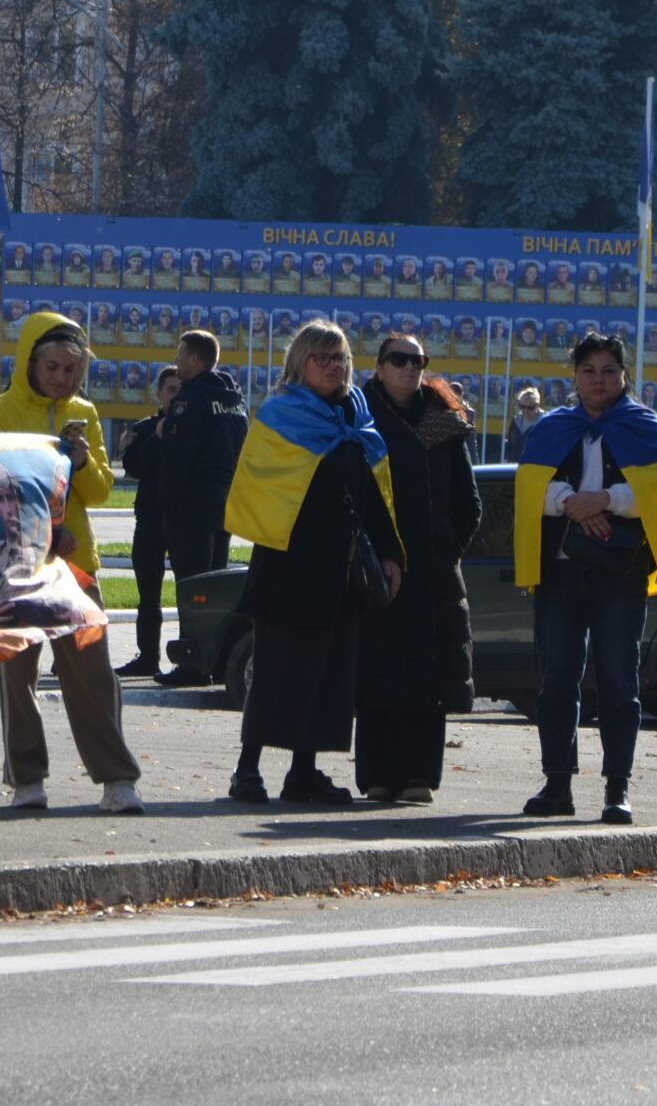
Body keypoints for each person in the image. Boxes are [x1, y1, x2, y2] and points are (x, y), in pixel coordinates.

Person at [224, 320, 404, 806]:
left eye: (340, 358)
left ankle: (304, 772)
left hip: (342, 574)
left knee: (328, 677)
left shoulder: (357, 418)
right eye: (321, 358)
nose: (333, 366)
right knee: (276, 672)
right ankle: (247, 770)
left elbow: (374, 498)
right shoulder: (280, 416)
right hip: (288, 571)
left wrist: (388, 554)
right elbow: (260, 492)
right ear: (299, 364)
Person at [514, 332, 657, 826]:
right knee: (556, 680)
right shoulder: (550, 428)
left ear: (624, 375)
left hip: (621, 575)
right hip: (561, 573)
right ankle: (557, 784)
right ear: (574, 377)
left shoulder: (646, 428)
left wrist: (606, 501)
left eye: (609, 370)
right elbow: (530, 492)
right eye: (589, 371)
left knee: (618, 680)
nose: (599, 380)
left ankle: (617, 788)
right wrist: (572, 501)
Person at [0, 312, 146, 815]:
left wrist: (82, 460)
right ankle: (26, 780)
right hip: (15, 566)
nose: (61, 379)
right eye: (52, 367)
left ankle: (117, 779)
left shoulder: (86, 414)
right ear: (29, 361)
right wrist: (48, 535)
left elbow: (97, 492)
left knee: (93, 674)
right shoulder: (1, 412)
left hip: (75, 568)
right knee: (15, 675)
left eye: (71, 371)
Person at [355, 336, 480, 804]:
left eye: (418, 361)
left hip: (432, 573)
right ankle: (376, 776)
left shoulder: (443, 423)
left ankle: (418, 776)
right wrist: (372, 553)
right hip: (378, 569)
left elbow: (469, 503)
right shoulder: (360, 417)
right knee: (378, 671)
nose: (410, 368)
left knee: (427, 678)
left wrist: (446, 549)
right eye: (399, 360)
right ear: (380, 367)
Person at [155, 329, 248, 683]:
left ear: (195, 359)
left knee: (192, 586)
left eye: (181, 355)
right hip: (224, 505)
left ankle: (192, 664)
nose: (177, 362)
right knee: (213, 587)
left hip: (191, 508)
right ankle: (213, 660)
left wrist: (167, 504)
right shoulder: (233, 399)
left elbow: (179, 459)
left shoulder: (189, 400)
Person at [113, 364, 185, 679]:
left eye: (181, 390)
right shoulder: (144, 428)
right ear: (158, 394)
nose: (176, 396)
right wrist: (157, 438)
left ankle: (191, 658)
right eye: (171, 390)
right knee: (148, 592)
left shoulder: (196, 426)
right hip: (151, 517)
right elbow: (133, 467)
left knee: (189, 592)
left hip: (185, 518)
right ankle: (148, 656)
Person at [505, 387, 543, 458]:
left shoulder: (545, 422)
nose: (525, 411)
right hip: (515, 465)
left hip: (536, 465)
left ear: (537, 406)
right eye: (522, 407)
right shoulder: (516, 421)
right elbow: (510, 446)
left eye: (530, 408)